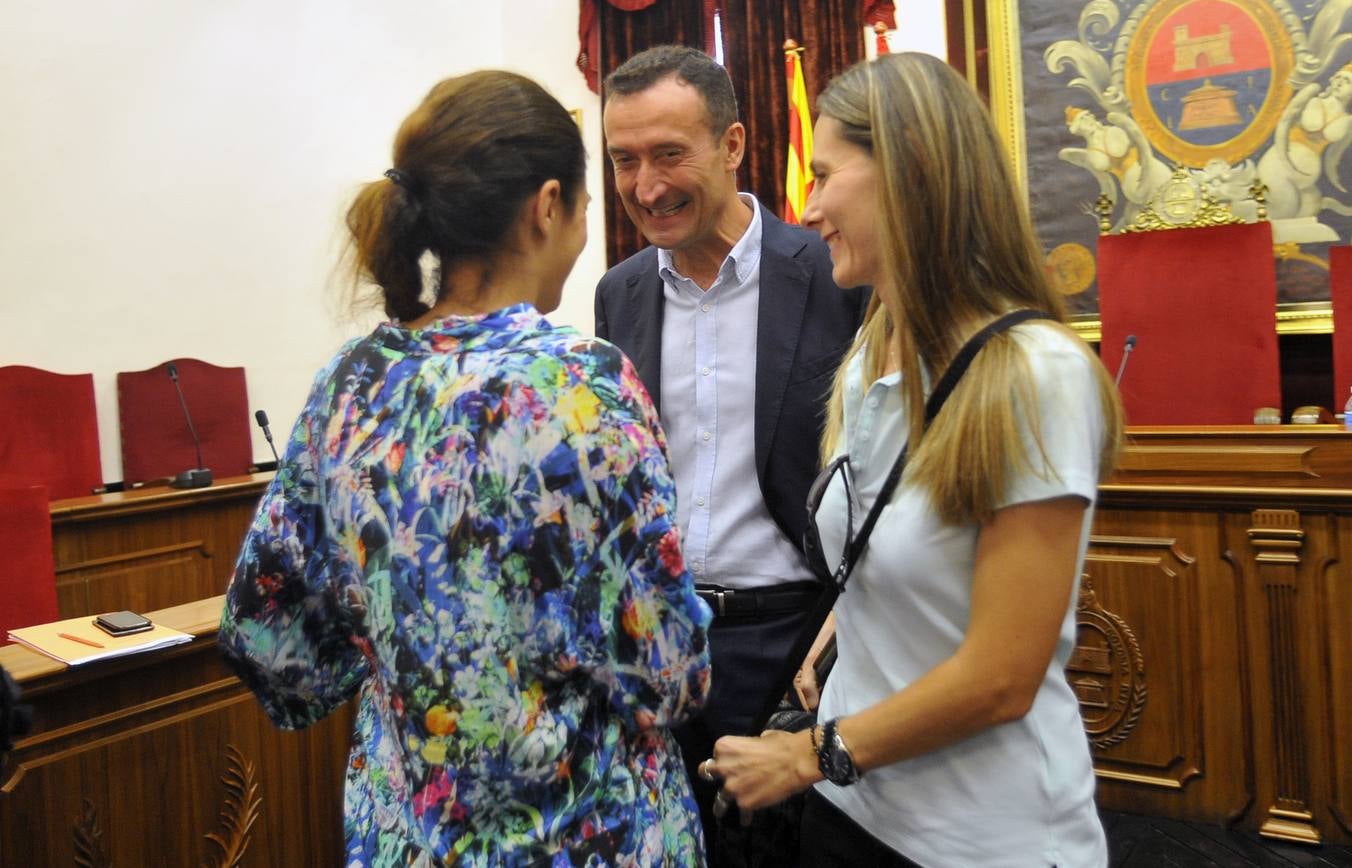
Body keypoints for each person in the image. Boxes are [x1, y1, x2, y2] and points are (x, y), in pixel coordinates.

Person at [219, 70, 713, 866]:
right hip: (587, 837)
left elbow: (270, 644)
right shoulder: (583, 386)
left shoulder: (352, 382)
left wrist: (410, 646)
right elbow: (668, 672)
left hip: (405, 840)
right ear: (546, 205)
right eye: (588, 206)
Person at [706, 52, 1124, 867]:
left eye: (825, 175)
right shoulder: (872, 350)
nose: (810, 203)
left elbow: (1003, 675)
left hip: (982, 837)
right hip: (854, 809)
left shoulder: (1033, 375)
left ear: (911, 172)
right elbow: (888, 537)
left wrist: (805, 754)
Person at [594, 45, 869, 851]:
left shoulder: (833, 272)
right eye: (624, 161)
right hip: (659, 646)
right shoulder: (620, 294)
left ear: (735, 145)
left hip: (796, 646)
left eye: (670, 154)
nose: (646, 187)